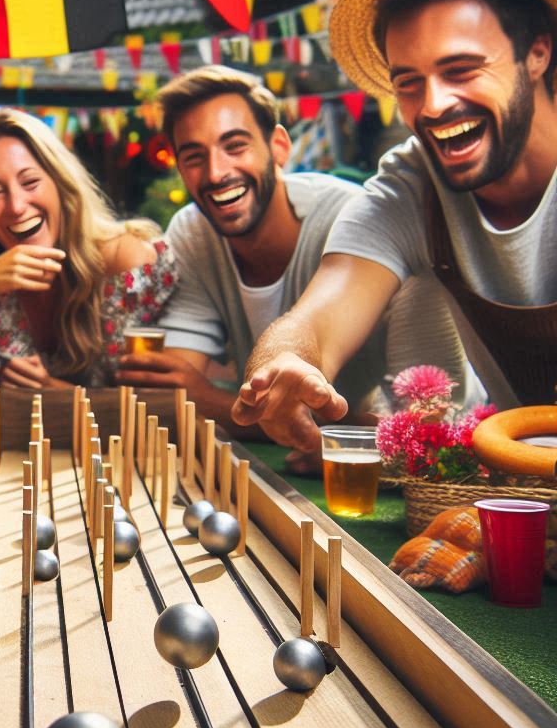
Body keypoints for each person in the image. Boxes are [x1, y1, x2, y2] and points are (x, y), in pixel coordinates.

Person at [233, 0, 557, 451]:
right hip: (525, 497)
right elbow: (316, 318)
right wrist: (281, 366)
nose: (432, 105)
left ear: (537, 52)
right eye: (409, 82)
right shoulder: (411, 185)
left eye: (461, 69)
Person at [117, 66, 475, 445]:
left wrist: (212, 401)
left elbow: (431, 428)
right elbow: (173, 390)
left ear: (279, 147)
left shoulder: (360, 220)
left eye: (235, 146)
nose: (217, 172)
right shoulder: (193, 232)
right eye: (193, 157)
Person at [0, 108, 177, 388]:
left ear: (59, 183)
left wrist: (52, 392)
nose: (17, 207)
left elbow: (147, 407)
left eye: (30, 182)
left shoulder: (123, 261)